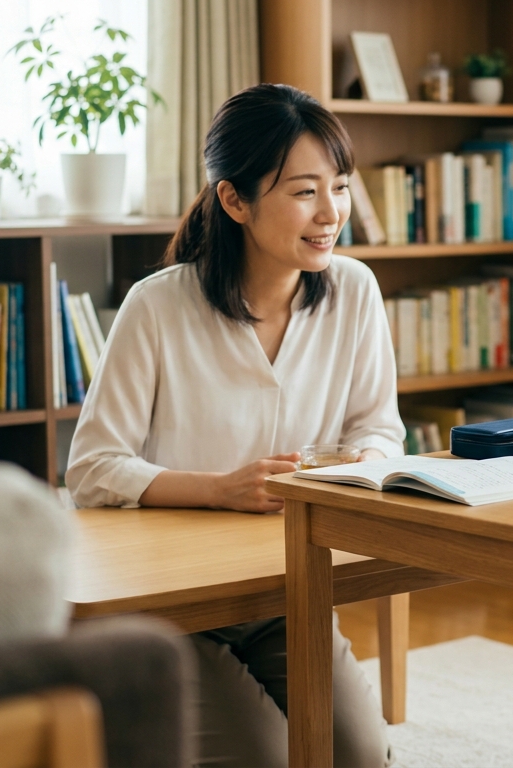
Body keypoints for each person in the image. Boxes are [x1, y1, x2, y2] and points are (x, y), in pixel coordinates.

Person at [66, 84, 402, 768]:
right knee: (268, 759)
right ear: (234, 200)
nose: (331, 213)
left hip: (289, 588)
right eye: (304, 191)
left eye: (339, 186)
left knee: (360, 758)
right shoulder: (156, 307)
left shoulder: (355, 292)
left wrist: (358, 460)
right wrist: (218, 489)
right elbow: (92, 468)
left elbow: (381, 430)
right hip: (169, 604)